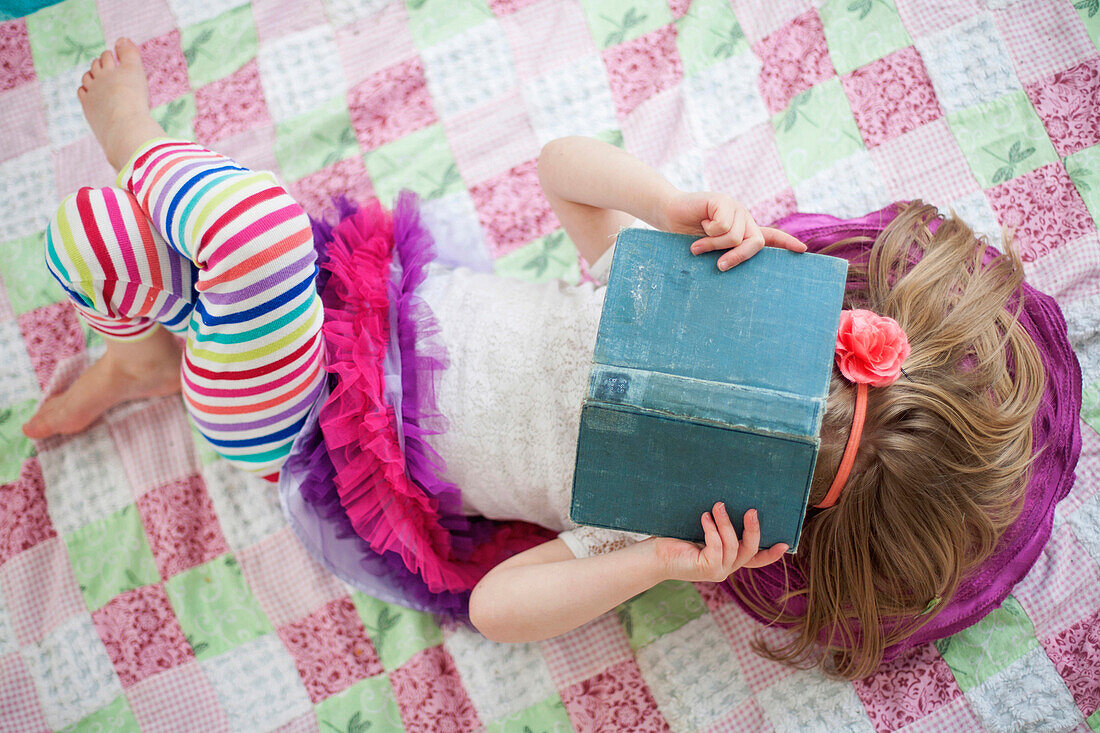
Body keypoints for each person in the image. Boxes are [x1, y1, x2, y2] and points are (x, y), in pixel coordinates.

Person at [24, 40, 1081, 680]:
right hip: (356, 297)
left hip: (309, 420)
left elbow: (496, 609)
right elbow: (561, 170)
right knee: (199, 262)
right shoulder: (662, 297)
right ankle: (146, 343)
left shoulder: (650, 513)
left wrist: (654, 563)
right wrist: (670, 207)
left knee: (223, 241)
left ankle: (140, 225)